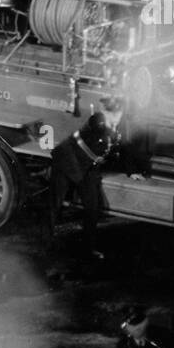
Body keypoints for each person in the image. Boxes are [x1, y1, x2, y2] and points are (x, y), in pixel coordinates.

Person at [46, 107, 116, 261]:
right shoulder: (98, 119)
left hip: (87, 169)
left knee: (93, 208)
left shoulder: (117, 130)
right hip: (67, 160)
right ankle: (47, 244)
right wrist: (95, 157)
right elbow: (79, 138)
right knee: (54, 205)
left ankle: (89, 249)